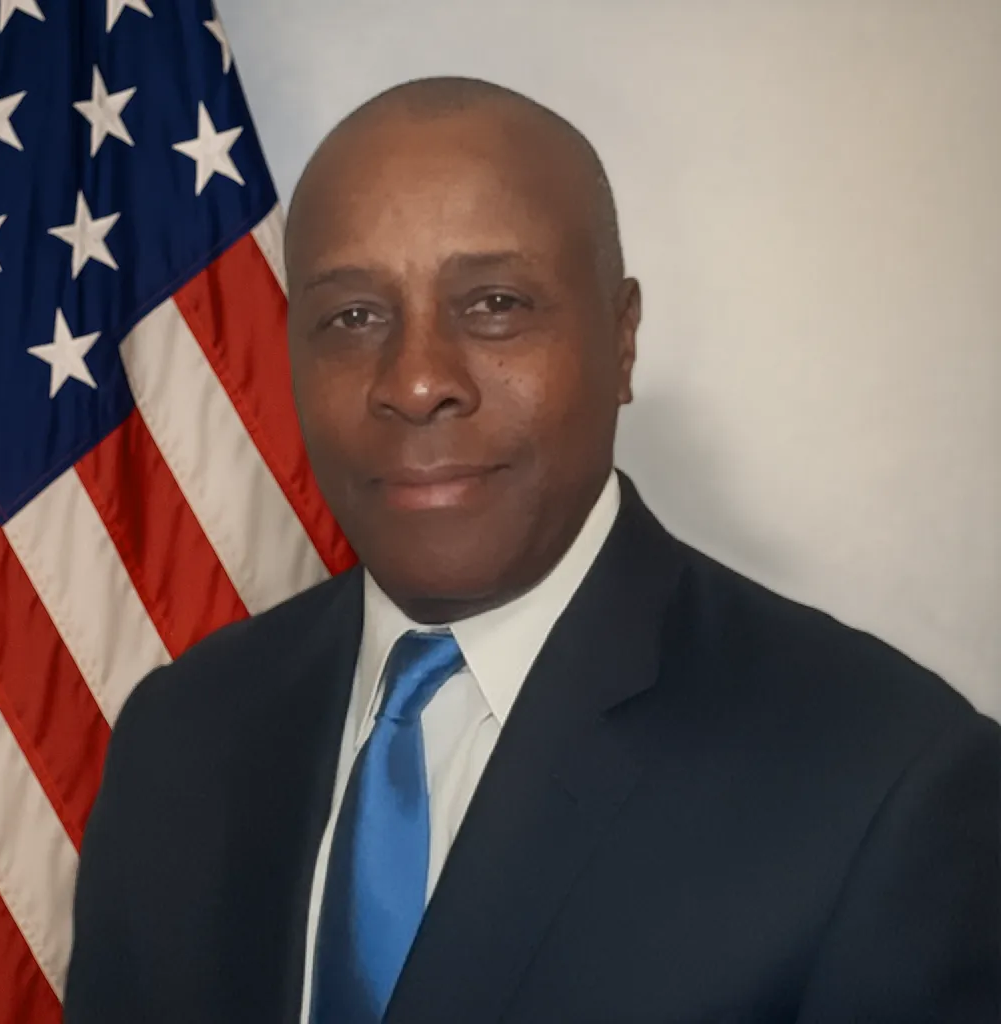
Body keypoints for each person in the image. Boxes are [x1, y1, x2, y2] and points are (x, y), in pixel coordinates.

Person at [63, 77, 1000, 1024]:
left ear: (622, 340)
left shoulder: (886, 785)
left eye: (495, 303)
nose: (417, 381)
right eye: (353, 317)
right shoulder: (180, 734)